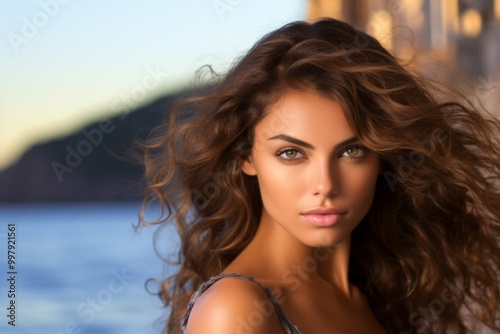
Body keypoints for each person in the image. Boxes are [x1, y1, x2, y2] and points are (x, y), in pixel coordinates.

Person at [139, 18, 500, 333]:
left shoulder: (371, 295)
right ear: (246, 156)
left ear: (382, 157)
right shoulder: (235, 310)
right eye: (291, 153)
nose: (325, 185)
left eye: (351, 151)